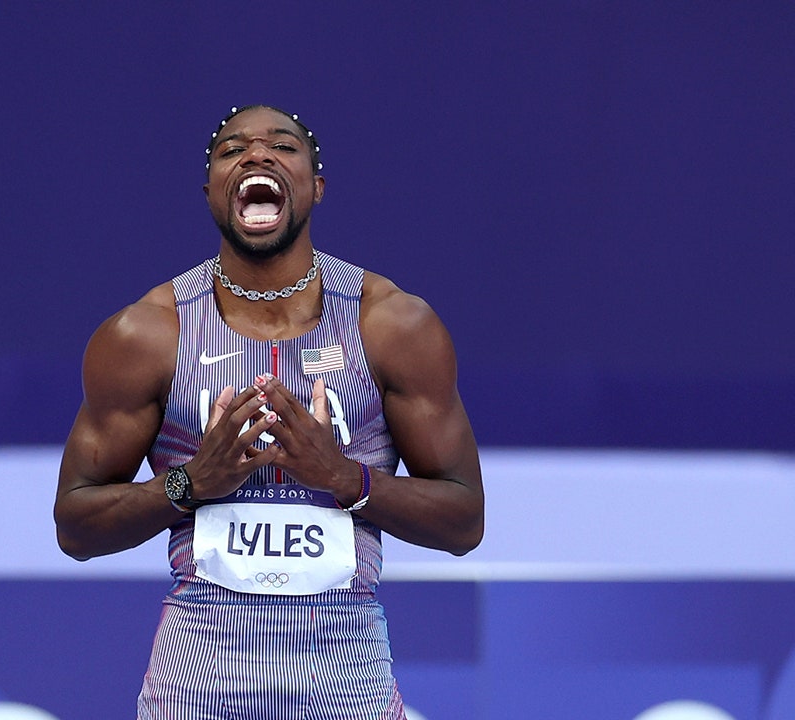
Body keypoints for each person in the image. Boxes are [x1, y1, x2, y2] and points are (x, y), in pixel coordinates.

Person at [54, 104, 484, 719]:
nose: (256, 155)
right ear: (211, 195)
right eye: (231, 150)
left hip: (347, 691)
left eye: (282, 146)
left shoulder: (392, 325)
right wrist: (187, 485)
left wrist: (347, 480)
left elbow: (465, 519)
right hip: (192, 694)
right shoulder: (147, 335)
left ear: (315, 187)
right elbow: (75, 526)